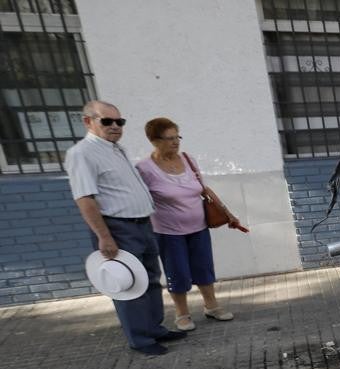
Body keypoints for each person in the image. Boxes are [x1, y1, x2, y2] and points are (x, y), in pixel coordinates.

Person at [65, 101, 185, 356]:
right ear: (88, 122)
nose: (115, 126)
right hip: (118, 228)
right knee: (129, 284)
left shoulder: (115, 149)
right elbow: (85, 199)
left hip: (142, 224)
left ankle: (154, 328)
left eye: (119, 122)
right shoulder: (82, 153)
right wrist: (104, 237)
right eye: (106, 121)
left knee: (150, 280)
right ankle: (141, 339)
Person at [135, 117, 245, 331]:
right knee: (178, 272)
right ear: (154, 140)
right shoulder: (144, 168)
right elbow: (139, 199)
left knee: (203, 267)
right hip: (168, 232)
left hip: (199, 227)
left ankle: (211, 307)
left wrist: (227, 212)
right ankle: (182, 314)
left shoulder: (188, 159)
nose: (175, 142)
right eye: (169, 138)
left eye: (177, 137)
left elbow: (204, 189)